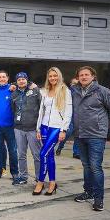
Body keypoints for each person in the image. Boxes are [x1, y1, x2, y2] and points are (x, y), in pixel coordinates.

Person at [72, 66, 110, 211]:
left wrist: (103, 126)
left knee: (95, 167)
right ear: (78, 77)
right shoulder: (74, 91)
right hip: (80, 135)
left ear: (93, 76)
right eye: (81, 75)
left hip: (96, 136)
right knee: (86, 166)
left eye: (87, 74)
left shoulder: (102, 91)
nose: (84, 77)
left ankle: (98, 198)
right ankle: (89, 192)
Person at [33, 67, 72, 196]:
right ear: (48, 78)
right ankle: (52, 182)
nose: (53, 78)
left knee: (43, 153)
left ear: (59, 76)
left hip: (56, 128)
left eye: (55, 76)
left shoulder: (65, 90)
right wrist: (38, 128)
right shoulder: (45, 91)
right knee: (49, 156)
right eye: (50, 76)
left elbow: (68, 112)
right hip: (44, 126)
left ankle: (40, 182)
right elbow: (41, 112)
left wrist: (63, 130)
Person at [11, 72, 42, 184]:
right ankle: (23, 177)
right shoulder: (14, 93)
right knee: (21, 154)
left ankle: (39, 177)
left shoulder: (35, 91)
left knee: (36, 155)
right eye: (19, 79)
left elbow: (42, 107)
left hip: (33, 128)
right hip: (19, 128)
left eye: (23, 79)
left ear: (27, 80)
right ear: (17, 81)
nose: (21, 81)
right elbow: (13, 109)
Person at [56, 77, 80, 158]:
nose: (74, 86)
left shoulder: (81, 92)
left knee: (78, 135)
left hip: (79, 116)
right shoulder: (68, 91)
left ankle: (76, 152)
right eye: (73, 84)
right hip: (70, 116)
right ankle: (60, 147)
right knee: (67, 133)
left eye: (76, 84)